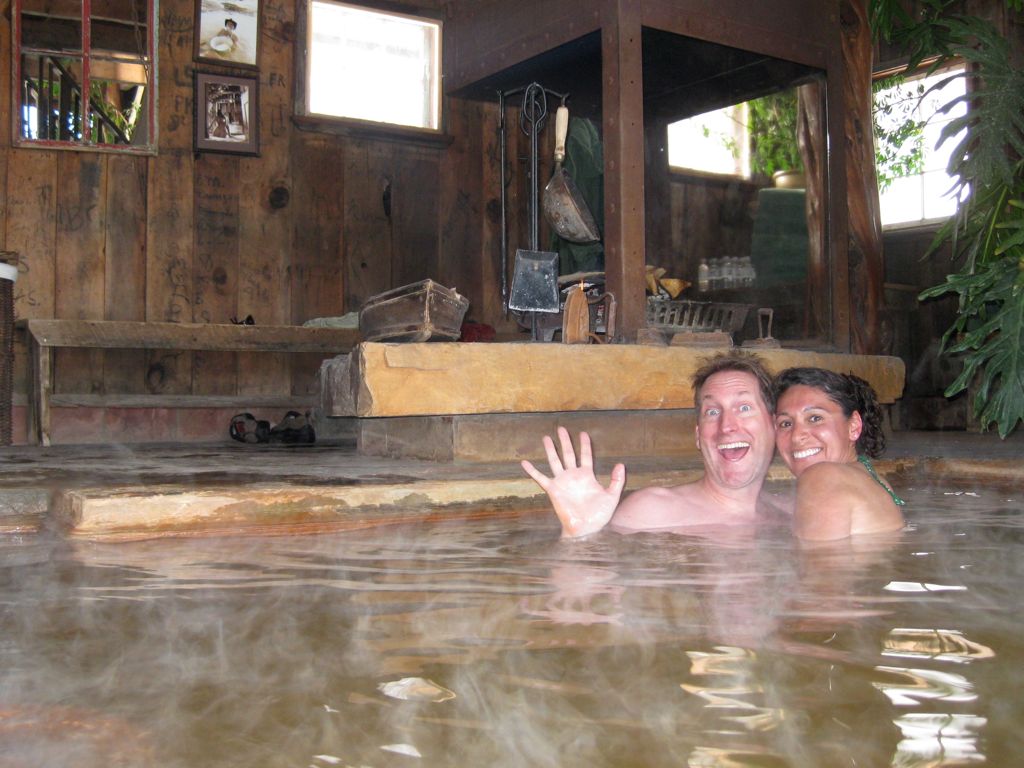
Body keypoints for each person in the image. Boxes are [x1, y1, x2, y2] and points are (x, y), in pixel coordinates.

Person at [521, 351, 780, 538]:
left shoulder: (789, 511)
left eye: (744, 408)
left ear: (774, 425)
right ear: (698, 436)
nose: (726, 426)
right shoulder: (652, 512)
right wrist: (580, 537)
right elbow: (589, 601)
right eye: (712, 411)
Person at [772, 367, 905, 541]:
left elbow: (822, 565)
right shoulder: (874, 480)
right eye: (786, 423)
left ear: (854, 426)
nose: (797, 436)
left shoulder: (821, 476)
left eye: (815, 418)